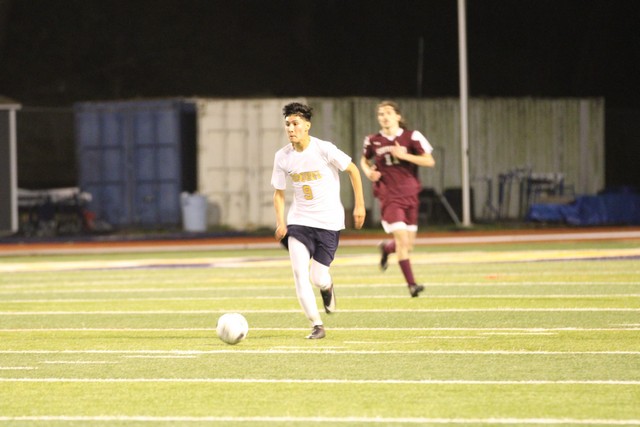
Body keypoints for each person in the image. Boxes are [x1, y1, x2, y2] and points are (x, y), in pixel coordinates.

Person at [271, 102, 366, 339]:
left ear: (307, 125)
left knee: (318, 278)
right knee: (299, 273)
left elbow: (353, 170)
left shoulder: (324, 149)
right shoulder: (282, 156)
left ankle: (327, 286)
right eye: (287, 124)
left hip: (328, 223)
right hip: (299, 222)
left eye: (295, 123)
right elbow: (279, 193)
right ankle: (317, 325)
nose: (290, 128)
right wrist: (281, 222)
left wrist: (360, 205)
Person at [360, 100, 435, 297]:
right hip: (389, 196)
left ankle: (386, 248)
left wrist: (405, 156)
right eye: (381, 114)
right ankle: (412, 285)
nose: (384, 117)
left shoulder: (412, 136)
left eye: (388, 113)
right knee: (402, 243)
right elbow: (364, 160)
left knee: (408, 245)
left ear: (398, 116)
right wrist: (368, 172)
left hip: (410, 194)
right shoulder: (373, 140)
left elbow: (429, 161)